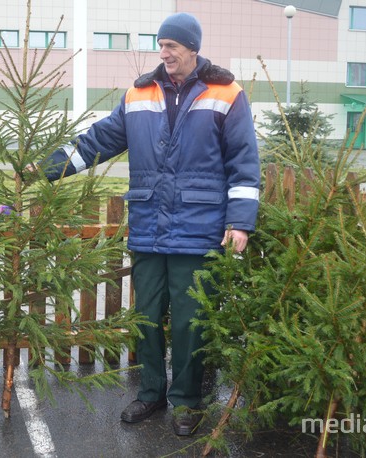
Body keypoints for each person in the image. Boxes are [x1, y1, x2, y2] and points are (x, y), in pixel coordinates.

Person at [37, 12, 260, 436]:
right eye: (161, 45)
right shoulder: (139, 94)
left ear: (192, 48)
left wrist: (240, 222)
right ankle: (151, 392)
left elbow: (244, 162)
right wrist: (44, 166)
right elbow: (98, 140)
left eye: (172, 45)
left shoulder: (227, 93)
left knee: (189, 322)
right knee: (146, 317)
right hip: (148, 227)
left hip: (199, 230)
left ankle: (187, 400)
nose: (165, 52)